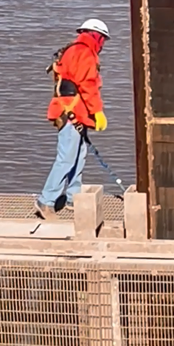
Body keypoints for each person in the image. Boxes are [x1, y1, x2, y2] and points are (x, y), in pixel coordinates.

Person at [36, 18, 110, 221]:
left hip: (74, 110)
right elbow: (88, 86)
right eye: (102, 39)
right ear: (97, 36)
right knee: (67, 157)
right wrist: (98, 112)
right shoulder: (84, 53)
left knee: (79, 155)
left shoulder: (73, 50)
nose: (102, 44)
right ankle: (46, 200)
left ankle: (73, 198)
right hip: (71, 112)